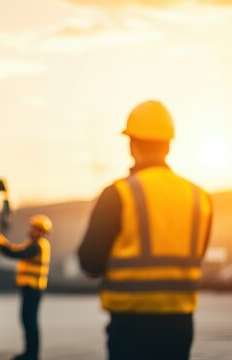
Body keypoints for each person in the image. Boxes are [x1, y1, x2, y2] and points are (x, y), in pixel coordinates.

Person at [78, 100, 213, 360]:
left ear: (131, 144)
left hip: (130, 328)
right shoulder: (200, 198)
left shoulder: (118, 194)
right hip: (180, 327)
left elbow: (90, 263)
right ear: (168, 144)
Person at [0, 214, 52, 360]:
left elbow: (14, 253)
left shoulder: (37, 246)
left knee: (29, 321)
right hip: (30, 289)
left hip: (33, 289)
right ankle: (30, 353)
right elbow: (15, 249)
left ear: (41, 231)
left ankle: (31, 354)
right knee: (27, 320)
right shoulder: (33, 244)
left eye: (35, 228)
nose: (32, 230)